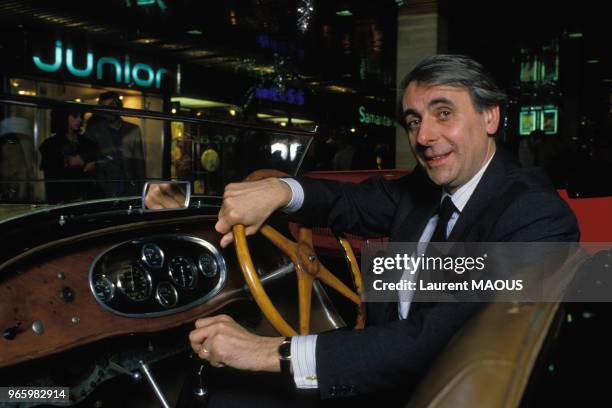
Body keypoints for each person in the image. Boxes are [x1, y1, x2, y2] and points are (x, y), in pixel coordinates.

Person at [146, 54, 579, 406]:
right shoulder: (425, 190)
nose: (424, 136)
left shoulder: (534, 216)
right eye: (413, 121)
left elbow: (429, 340)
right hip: (381, 367)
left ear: (490, 118)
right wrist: (278, 189)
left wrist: (266, 351)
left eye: (443, 113)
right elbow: (346, 202)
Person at [84, 91, 145, 197]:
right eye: (107, 106)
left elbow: (139, 163)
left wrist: (142, 189)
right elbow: (89, 159)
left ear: (119, 106)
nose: (111, 109)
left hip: (130, 188)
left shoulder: (133, 130)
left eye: (114, 105)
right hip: (104, 188)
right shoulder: (94, 131)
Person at [38, 110, 97, 203]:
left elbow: (97, 163)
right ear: (64, 118)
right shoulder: (50, 144)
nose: (79, 120)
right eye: (74, 116)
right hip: (62, 199)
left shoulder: (87, 143)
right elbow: (50, 175)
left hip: (85, 198)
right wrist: (68, 162)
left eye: (81, 116)